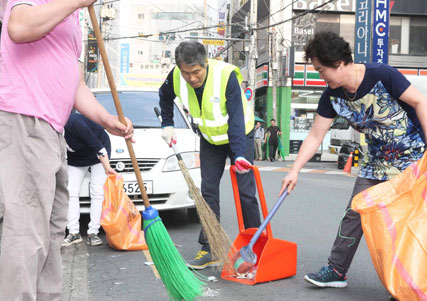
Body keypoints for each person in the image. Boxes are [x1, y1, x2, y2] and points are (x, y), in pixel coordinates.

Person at [280, 31, 427, 288]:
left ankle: (409, 283)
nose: (319, 75)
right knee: (355, 212)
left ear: (339, 62)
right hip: (376, 160)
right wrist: (295, 170)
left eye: (321, 70)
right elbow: (314, 136)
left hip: (410, 158)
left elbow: (419, 102)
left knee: (408, 222)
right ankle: (336, 270)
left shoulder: (382, 75)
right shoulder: (332, 96)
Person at [0, 1, 134, 299]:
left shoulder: (72, 16)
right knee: (27, 231)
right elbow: (19, 27)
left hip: (52, 129)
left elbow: (73, 83)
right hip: (26, 119)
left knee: (51, 231)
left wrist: (106, 119)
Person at [159, 40, 261, 269]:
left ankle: (255, 245)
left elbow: (235, 117)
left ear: (205, 62)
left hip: (239, 136)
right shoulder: (176, 76)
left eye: (196, 72)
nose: (191, 78)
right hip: (210, 139)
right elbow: (164, 96)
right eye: (186, 73)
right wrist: (167, 124)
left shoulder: (226, 76)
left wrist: (239, 155)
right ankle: (210, 247)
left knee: (245, 192)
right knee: (207, 192)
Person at [62, 113, 118, 247]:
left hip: (97, 151)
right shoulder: (50, 129)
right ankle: (74, 233)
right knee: (70, 191)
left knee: (97, 191)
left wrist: (107, 167)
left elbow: (99, 148)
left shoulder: (75, 123)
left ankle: (93, 233)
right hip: (77, 157)